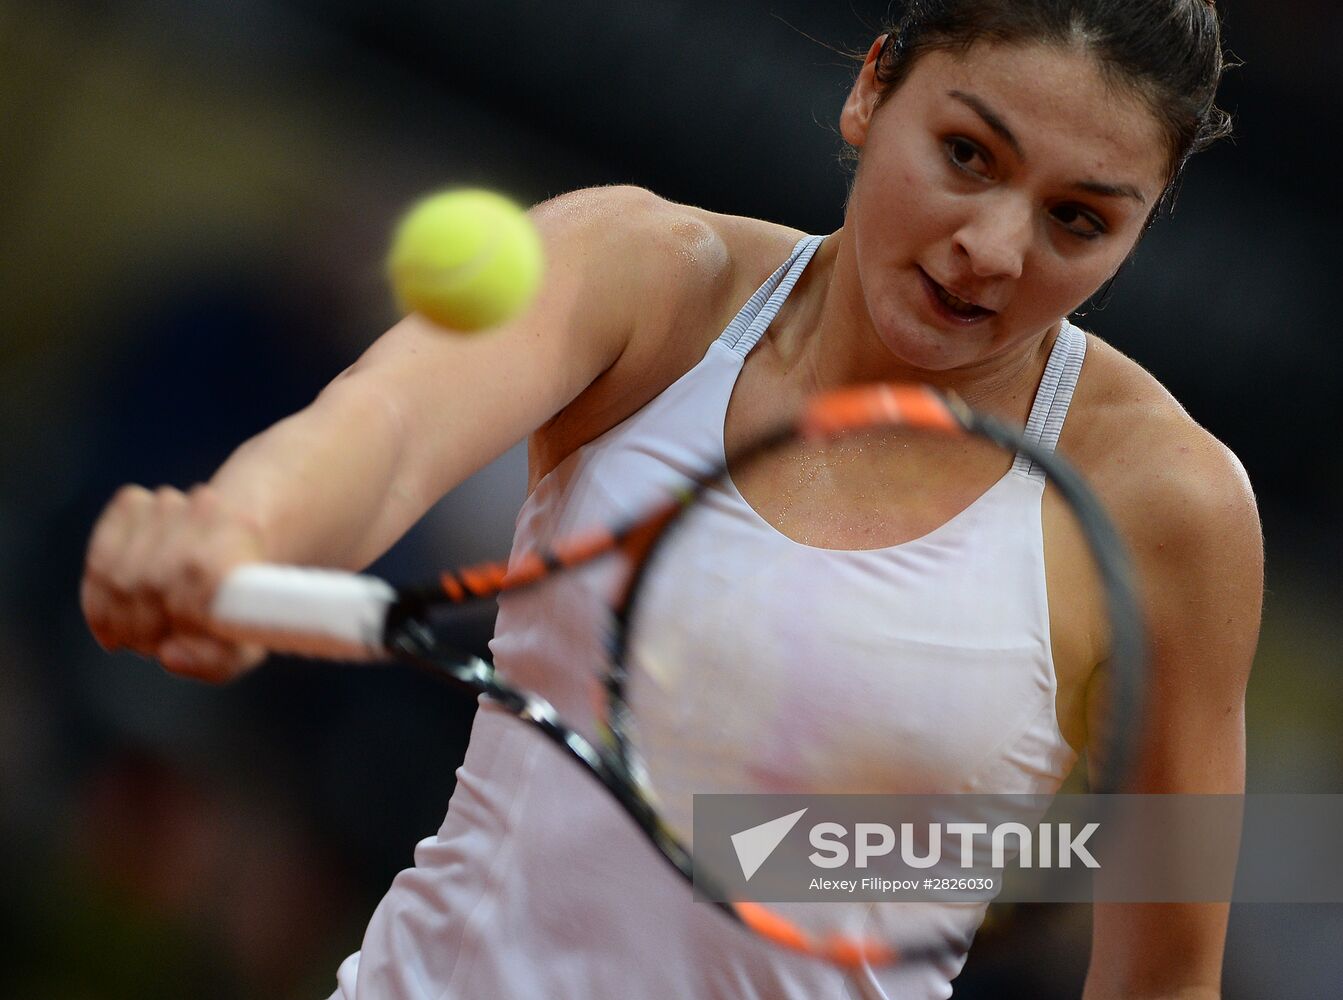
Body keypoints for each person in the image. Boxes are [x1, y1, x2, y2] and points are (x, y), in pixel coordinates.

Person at [81, 1, 1262, 996]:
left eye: (1076, 219)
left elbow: (1161, 969)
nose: (993, 248)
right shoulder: (642, 276)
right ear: (872, 92)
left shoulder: (1170, 509)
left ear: (1133, 233)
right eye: (966, 154)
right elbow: (383, 434)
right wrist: (232, 532)